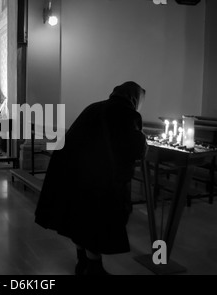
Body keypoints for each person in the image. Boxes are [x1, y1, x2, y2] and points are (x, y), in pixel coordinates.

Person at [34, 81, 147, 275]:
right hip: (97, 177)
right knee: (96, 221)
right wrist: (143, 140)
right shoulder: (127, 113)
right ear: (134, 98)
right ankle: (94, 268)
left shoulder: (95, 106)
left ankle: (83, 262)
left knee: (77, 218)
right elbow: (135, 148)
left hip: (68, 172)